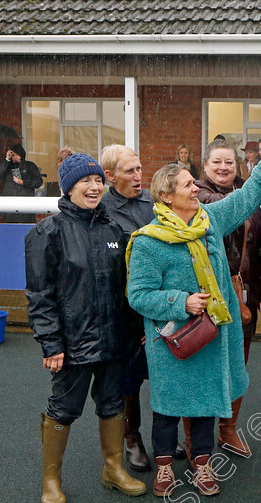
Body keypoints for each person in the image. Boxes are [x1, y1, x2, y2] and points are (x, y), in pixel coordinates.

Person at [126, 125, 261, 498]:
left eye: (195, 184)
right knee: (167, 407)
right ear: (167, 195)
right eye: (188, 185)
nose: (196, 188)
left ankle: (203, 465)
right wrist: (182, 302)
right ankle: (164, 469)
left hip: (210, 337)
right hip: (171, 341)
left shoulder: (208, 222)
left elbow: (244, 201)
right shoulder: (148, 241)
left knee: (206, 404)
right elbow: (139, 295)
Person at [25, 153, 147, 503]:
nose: (94, 187)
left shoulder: (114, 230)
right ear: (69, 187)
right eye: (86, 182)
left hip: (114, 342)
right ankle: (51, 482)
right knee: (63, 409)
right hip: (71, 346)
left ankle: (113, 469)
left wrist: (134, 331)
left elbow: (127, 288)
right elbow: (40, 296)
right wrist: (51, 343)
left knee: (112, 404)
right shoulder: (47, 233)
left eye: (98, 181)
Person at [100, 144, 185, 472]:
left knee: (167, 373)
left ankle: (166, 436)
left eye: (139, 168)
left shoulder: (154, 202)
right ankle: (131, 437)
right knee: (128, 382)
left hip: (159, 306)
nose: (139, 176)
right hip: (123, 312)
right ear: (110, 176)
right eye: (130, 171)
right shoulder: (102, 210)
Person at [195, 138, 261, 457]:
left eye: (229, 161)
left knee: (237, 367)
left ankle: (228, 430)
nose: (223, 167)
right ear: (205, 166)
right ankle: (195, 441)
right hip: (209, 299)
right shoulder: (199, 196)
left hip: (246, 298)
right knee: (205, 367)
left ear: (238, 164)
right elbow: (227, 205)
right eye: (217, 162)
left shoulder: (249, 198)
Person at [0, 143, 43, 223]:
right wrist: (7, 159)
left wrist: (24, 182)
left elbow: (38, 182)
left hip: (26, 202)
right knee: (12, 228)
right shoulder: (8, 166)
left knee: (26, 227)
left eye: (17, 155)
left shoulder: (30, 165)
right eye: (13, 155)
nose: (16, 157)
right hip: (10, 203)